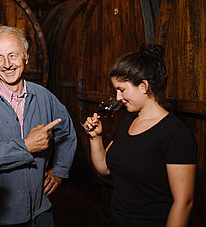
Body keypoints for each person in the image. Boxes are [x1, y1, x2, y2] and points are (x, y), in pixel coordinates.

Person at [0, 26, 77, 226]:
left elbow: (67, 132)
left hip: (41, 212)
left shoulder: (44, 96)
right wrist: (26, 146)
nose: (7, 64)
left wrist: (59, 171)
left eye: (13, 55)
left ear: (26, 57)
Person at [83, 43, 197, 227]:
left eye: (122, 89)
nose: (118, 97)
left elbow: (184, 202)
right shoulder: (128, 122)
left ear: (144, 86)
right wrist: (95, 138)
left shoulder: (175, 134)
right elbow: (104, 168)